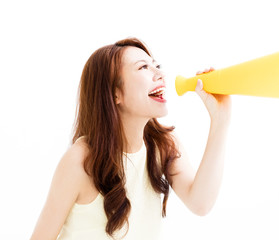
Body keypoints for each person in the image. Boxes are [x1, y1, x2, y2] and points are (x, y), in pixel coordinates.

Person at [30, 37, 231, 240]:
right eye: (143, 67)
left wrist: (220, 120)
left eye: (157, 65)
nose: (160, 74)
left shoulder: (163, 144)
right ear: (115, 94)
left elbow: (201, 203)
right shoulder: (79, 162)